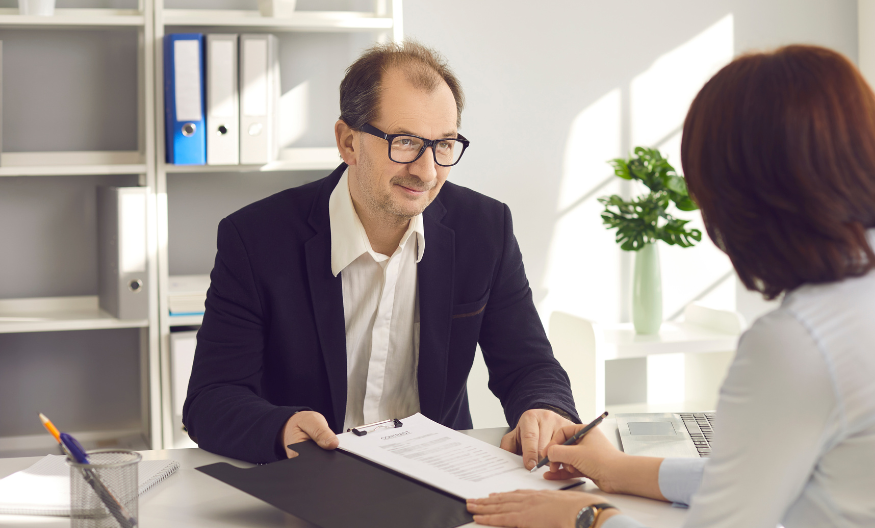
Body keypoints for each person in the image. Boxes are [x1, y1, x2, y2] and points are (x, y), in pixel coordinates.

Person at [467, 45, 875, 528]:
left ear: (742, 198)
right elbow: (756, 475)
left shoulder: (800, 339)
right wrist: (618, 470)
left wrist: (585, 516)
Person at [182, 41, 579, 465]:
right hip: (311, 477)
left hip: (438, 476)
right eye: (406, 142)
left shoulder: (485, 228)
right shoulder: (256, 238)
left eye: (444, 145)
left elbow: (529, 365)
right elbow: (211, 398)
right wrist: (281, 429)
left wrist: (545, 408)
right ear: (348, 142)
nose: (426, 172)